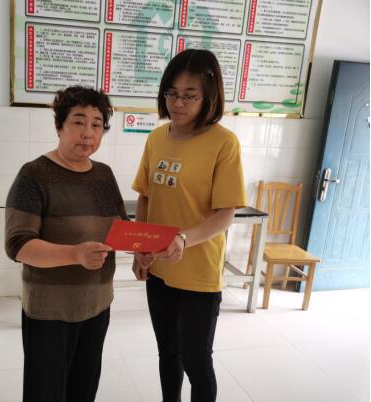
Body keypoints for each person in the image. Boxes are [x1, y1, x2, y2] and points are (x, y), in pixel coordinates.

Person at [131, 49, 246, 402]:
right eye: (172, 93)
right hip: (160, 269)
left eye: (189, 95)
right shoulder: (156, 138)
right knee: (168, 354)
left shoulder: (223, 143)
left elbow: (225, 214)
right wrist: (140, 248)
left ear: (208, 96)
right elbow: (145, 195)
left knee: (196, 360)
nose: (178, 103)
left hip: (198, 274)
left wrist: (183, 238)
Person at [5, 86, 128, 402]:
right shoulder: (34, 175)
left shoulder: (104, 175)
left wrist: (144, 250)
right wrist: (75, 254)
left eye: (97, 124)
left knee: (83, 390)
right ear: (59, 125)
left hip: (97, 304)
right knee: (45, 393)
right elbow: (18, 244)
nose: (88, 133)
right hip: (50, 310)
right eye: (78, 121)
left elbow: (120, 228)